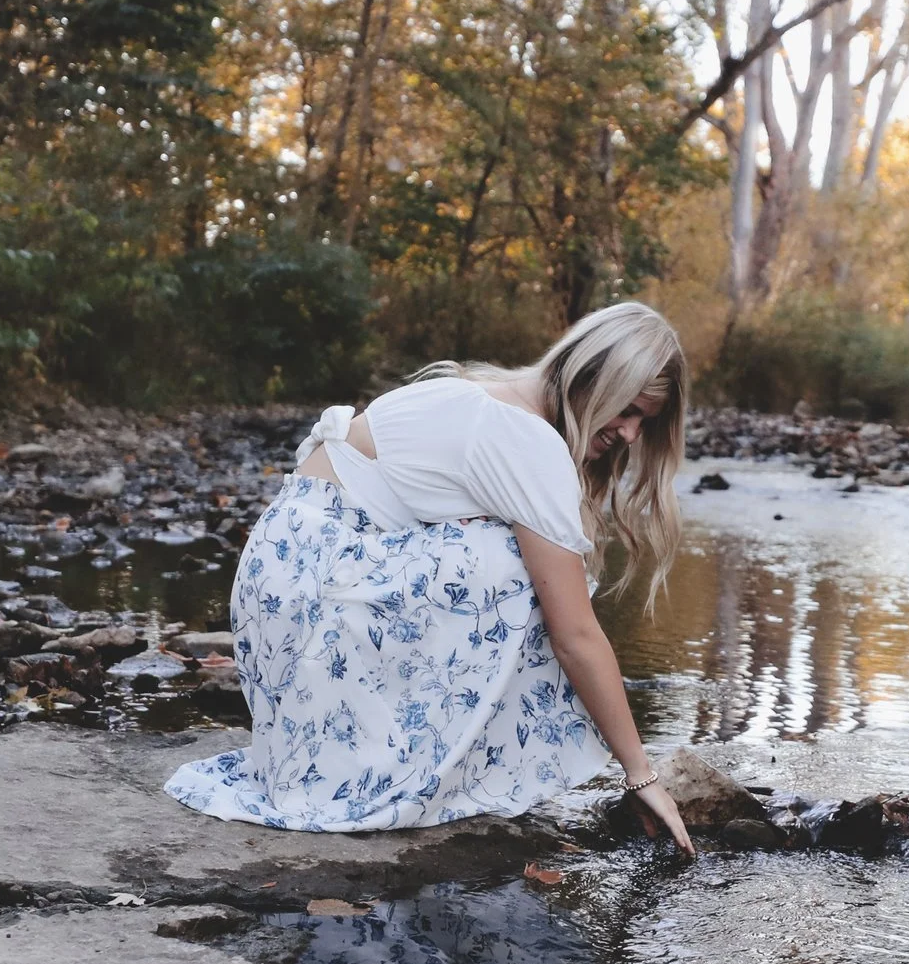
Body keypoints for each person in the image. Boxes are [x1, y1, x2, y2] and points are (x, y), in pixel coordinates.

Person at [165, 302, 697, 854]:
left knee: (521, 558)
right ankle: (422, 764)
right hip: (311, 595)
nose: (632, 435)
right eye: (629, 410)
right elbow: (575, 635)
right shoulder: (525, 438)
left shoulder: (485, 392)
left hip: (280, 590)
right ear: (592, 378)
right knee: (526, 573)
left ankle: (396, 750)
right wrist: (640, 774)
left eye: (646, 423)